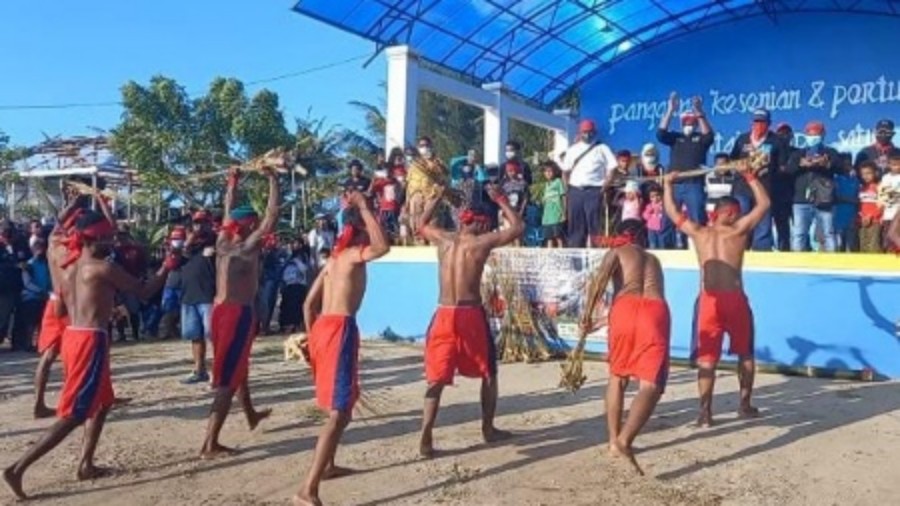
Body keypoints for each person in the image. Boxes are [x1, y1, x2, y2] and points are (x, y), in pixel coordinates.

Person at [3, 210, 173, 500]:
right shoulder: (101, 268)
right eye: (106, 237)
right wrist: (167, 266)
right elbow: (144, 292)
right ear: (92, 240)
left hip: (77, 336)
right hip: (89, 340)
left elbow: (58, 235)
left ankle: (86, 464)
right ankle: (17, 468)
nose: (112, 241)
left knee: (103, 402)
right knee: (75, 414)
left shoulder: (69, 264)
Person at [293, 191, 391, 506]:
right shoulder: (350, 255)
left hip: (322, 327)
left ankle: (329, 465)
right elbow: (383, 247)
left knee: (343, 406)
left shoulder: (332, 260)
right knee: (338, 412)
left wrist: (312, 339)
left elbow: (309, 305)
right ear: (359, 229)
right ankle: (307, 490)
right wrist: (364, 208)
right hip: (340, 329)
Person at [416, 184, 522, 459]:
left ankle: (426, 436)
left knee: (436, 378)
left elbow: (421, 224)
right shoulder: (480, 243)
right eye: (485, 222)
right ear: (478, 221)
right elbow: (517, 227)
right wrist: (500, 199)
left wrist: (436, 196)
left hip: (443, 312)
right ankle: (488, 428)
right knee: (489, 373)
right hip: (470, 314)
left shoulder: (444, 240)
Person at [662, 161, 770, 427]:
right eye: (736, 211)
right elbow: (764, 204)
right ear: (731, 212)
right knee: (744, 354)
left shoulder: (700, 233)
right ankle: (744, 405)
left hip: (708, 300)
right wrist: (750, 177)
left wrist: (667, 185)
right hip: (733, 299)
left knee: (707, 359)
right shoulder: (738, 230)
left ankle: (705, 413)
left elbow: (673, 212)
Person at [201, 163, 281, 459]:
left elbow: (227, 209)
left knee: (236, 368)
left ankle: (250, 414)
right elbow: (272, 217)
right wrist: (273, 180)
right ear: (248, 224)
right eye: (254, 221)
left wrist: (232, 182)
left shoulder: (223, 241)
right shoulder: (246, 247)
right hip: (236, 314)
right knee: (226, 380)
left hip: (220, 311)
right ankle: (209, 443)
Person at [580, 219, 670, 475]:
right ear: (642, 236)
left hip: (625, 309)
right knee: (650, 385)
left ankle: (614, 441)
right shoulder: (654, 259)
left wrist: (587, 316)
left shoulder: (616, 252)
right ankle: (625, 440)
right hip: (656, 311)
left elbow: (597, 285)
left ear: (619, 235)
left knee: (618, 377)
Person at [33, 198, 85, 418]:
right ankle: (72, 402)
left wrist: (72, 204)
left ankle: (39, 403)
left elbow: (58, 223)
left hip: (53, 301)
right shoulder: (74, 249)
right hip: (69, 304)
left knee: (49, 356)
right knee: (75, 355)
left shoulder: (54, 242)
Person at [657, 93, 714, 249]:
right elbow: (660, 134)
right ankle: (666, 252)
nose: (688, 125)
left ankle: (702, 249)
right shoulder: (676, 138)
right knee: (667, 220)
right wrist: (670, 110)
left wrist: (699, 112)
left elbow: (709, 136)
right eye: (685, 122)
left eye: (691, 122)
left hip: (693, 185)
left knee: (697, 220)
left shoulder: (700, 139)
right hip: (674, 185)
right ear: (681, 124)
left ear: (695, 124)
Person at [730, 108, 787, 251]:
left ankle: (761, 251)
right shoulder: (742, 139)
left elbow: (782, 166)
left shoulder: (776, 141)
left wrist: (767, 169)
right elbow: (733, 159)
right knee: (742, 218)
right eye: (756, 121)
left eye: (762, 122)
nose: (758, 125)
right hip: (742, 188)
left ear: (769, 123)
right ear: (751, 122)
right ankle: (739, 248)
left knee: (763, 221)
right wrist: (739, 166)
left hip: (764, 188)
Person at [785, 121, 841, 252]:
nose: (813, 137)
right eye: (810, 134)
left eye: (816, 134)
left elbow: (839, 167)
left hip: (824, 200)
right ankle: (797, 265)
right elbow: (788, 170)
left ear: (823, 135)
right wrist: (801, 164)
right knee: (799, 233)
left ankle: (832, 264)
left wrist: (825, 163)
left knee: (829, 233)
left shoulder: (830, 152)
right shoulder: (798, 154)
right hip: (800, 200)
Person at [562, 119, 618, 247]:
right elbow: (565, 172)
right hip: (575, 191)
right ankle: (575, 262)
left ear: (595, 132)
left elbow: (613, 168)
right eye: (585, 132)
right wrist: (568, 190)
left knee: (596, 227)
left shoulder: (602, 148)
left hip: (594, 191)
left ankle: (597, 261)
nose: (587, 135)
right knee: (576, 228)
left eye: (590, 132)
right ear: (580, 132)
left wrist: (605, 185)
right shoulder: (572, 150)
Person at [179, 237, 216, 384]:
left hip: (207, 298)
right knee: (195, 337)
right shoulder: (183, 255)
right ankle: (199, 370)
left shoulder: (210, 251)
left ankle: (219, 372)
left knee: (214, 337)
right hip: (188, 299)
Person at [772, 123, 798, 251]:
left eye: (787, 133)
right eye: (781, 133)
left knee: (799, 229)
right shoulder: (772, 154)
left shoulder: (797, 152)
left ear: (791, 135)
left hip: (796, 194)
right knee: (782, 228)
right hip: (777, 195)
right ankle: (783, 251)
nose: (784, 136)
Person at [279, 240, 311, 333]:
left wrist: (297, 261)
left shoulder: (303, 257)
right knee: (287, 306)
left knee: (296, 306)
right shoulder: (288, 257)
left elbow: (305, 269)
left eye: (297, 243)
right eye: (294, 243)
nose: (295, 245)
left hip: (298, 284)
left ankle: (295, 325)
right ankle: (286, 326)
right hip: (288, 284)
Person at [833, 154, 860, 252]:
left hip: (852, 217)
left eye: (849, 163)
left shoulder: (855, 180)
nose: (847, 165)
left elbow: (858, 196)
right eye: (844, 163)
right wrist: (852, 200)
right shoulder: (836, 179)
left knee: (852, 245)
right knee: (840, 245)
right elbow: (836, 197)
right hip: (838, 217)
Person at [858, 161, 883, 253]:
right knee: (863, 245)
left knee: (874, 245)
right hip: (862, 221)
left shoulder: (879, 187)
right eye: (863, 174)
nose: (865, 176)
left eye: (868, 173)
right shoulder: (861, 188)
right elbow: (860, 206)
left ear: (875, 173)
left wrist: (871, 216)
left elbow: (881, 205)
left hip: (875, 222)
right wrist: (862, 217)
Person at [541, 161, 566, 248]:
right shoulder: (546, 185)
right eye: (546, 171)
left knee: (558, 237)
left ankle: (561, 255)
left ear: (554, 171)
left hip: (557, 215)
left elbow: (563, 197)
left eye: (550, 171)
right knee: (549, 238)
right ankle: (549, 257)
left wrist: (564, 212)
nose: (548, 173)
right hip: (547, 217)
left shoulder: (558, 182)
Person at [878, 154, 900, 250]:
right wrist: (882, 214)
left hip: (898, 212)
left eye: (897, 165)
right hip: (888, 213)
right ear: (889, 165)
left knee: (894, 235)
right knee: (887, 239)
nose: (895, 167)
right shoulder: (885, 178)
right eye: (893, 164)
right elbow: (883, 196)